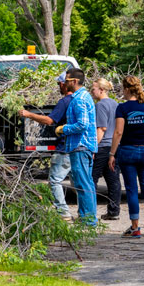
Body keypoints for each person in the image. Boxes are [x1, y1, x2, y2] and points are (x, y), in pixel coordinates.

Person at [106, 75, 144, 237]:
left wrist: (112, 154)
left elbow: (118, 132)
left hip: (128, 152)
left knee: (132, 190)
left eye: (122, 89)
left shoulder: (123, 108)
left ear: (126, 89)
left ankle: (135, 227)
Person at [20, 72, 75, 219]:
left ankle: (63, 213)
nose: (58, 86)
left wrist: (28, 114)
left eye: (59, 84)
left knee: (55, 181)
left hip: (64, 148)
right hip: (79, 148)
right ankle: (86, 215)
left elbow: (49, 121)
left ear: (65, 84)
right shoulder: (82, 100)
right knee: (81, 183)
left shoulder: (65, 102)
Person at [54, 68, 98, 226]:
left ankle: (88, 221)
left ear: (74, 81)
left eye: (66, 80)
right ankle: (87, 217)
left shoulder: (79, 99)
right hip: (84, 146)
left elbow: (82, 124)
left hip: (80, 145)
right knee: (86, 183)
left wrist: (63, 129)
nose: (64, 84)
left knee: (82, 184)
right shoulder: (84, 96)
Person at [90, 78, 121, 221]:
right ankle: (113, 211)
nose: (92, 91)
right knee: (113, 180)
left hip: (102, 146)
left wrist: (93, 148)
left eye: (93, 89)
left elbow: (101, 129)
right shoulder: (115, 104)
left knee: (92, 179)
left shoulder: (100, 105)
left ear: (101, 90)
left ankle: (89, 212)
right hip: (114, 146)